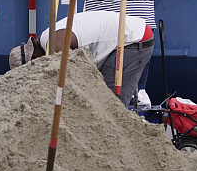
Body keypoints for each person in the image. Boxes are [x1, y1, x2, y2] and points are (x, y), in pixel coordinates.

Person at [8, 11, 154, 107]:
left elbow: (76, 79)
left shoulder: (54, 46)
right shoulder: (46, 40)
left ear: (34, 57)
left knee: (110, 103)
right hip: (122, 39)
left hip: (132, 39)